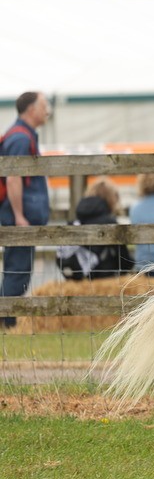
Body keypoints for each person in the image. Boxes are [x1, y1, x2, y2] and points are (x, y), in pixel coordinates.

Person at [1, 92, 51, 328]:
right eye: (44, 105)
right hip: (18, 217)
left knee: (19, 268)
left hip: (20, 214)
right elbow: (13, 178)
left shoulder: (22, 135)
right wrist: (19, 215)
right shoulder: (20, 138)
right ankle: (6, 322)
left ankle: (8, 320)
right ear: (31, 109)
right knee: (17, 270)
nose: (47, 110)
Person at [55, 178, 136, 281]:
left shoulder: (75, 222)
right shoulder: (110, 223)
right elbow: (124, 261)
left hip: (77, 280)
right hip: (105, 282)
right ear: (112, 198)